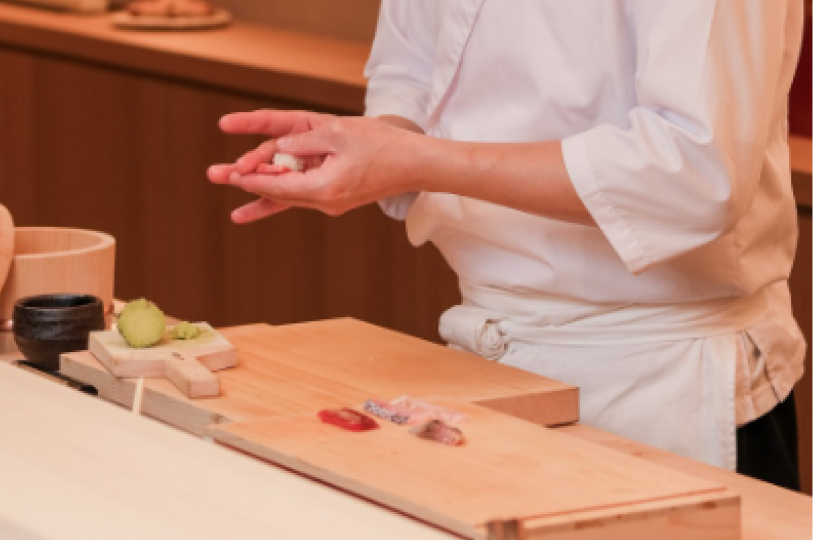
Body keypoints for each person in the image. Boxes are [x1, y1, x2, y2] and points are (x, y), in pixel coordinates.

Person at [208, 0, 806, 489]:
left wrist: (418, 161)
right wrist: (368, 150)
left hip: (665, 379)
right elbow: (412, 71)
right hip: (483, 362)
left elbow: (693, 170)